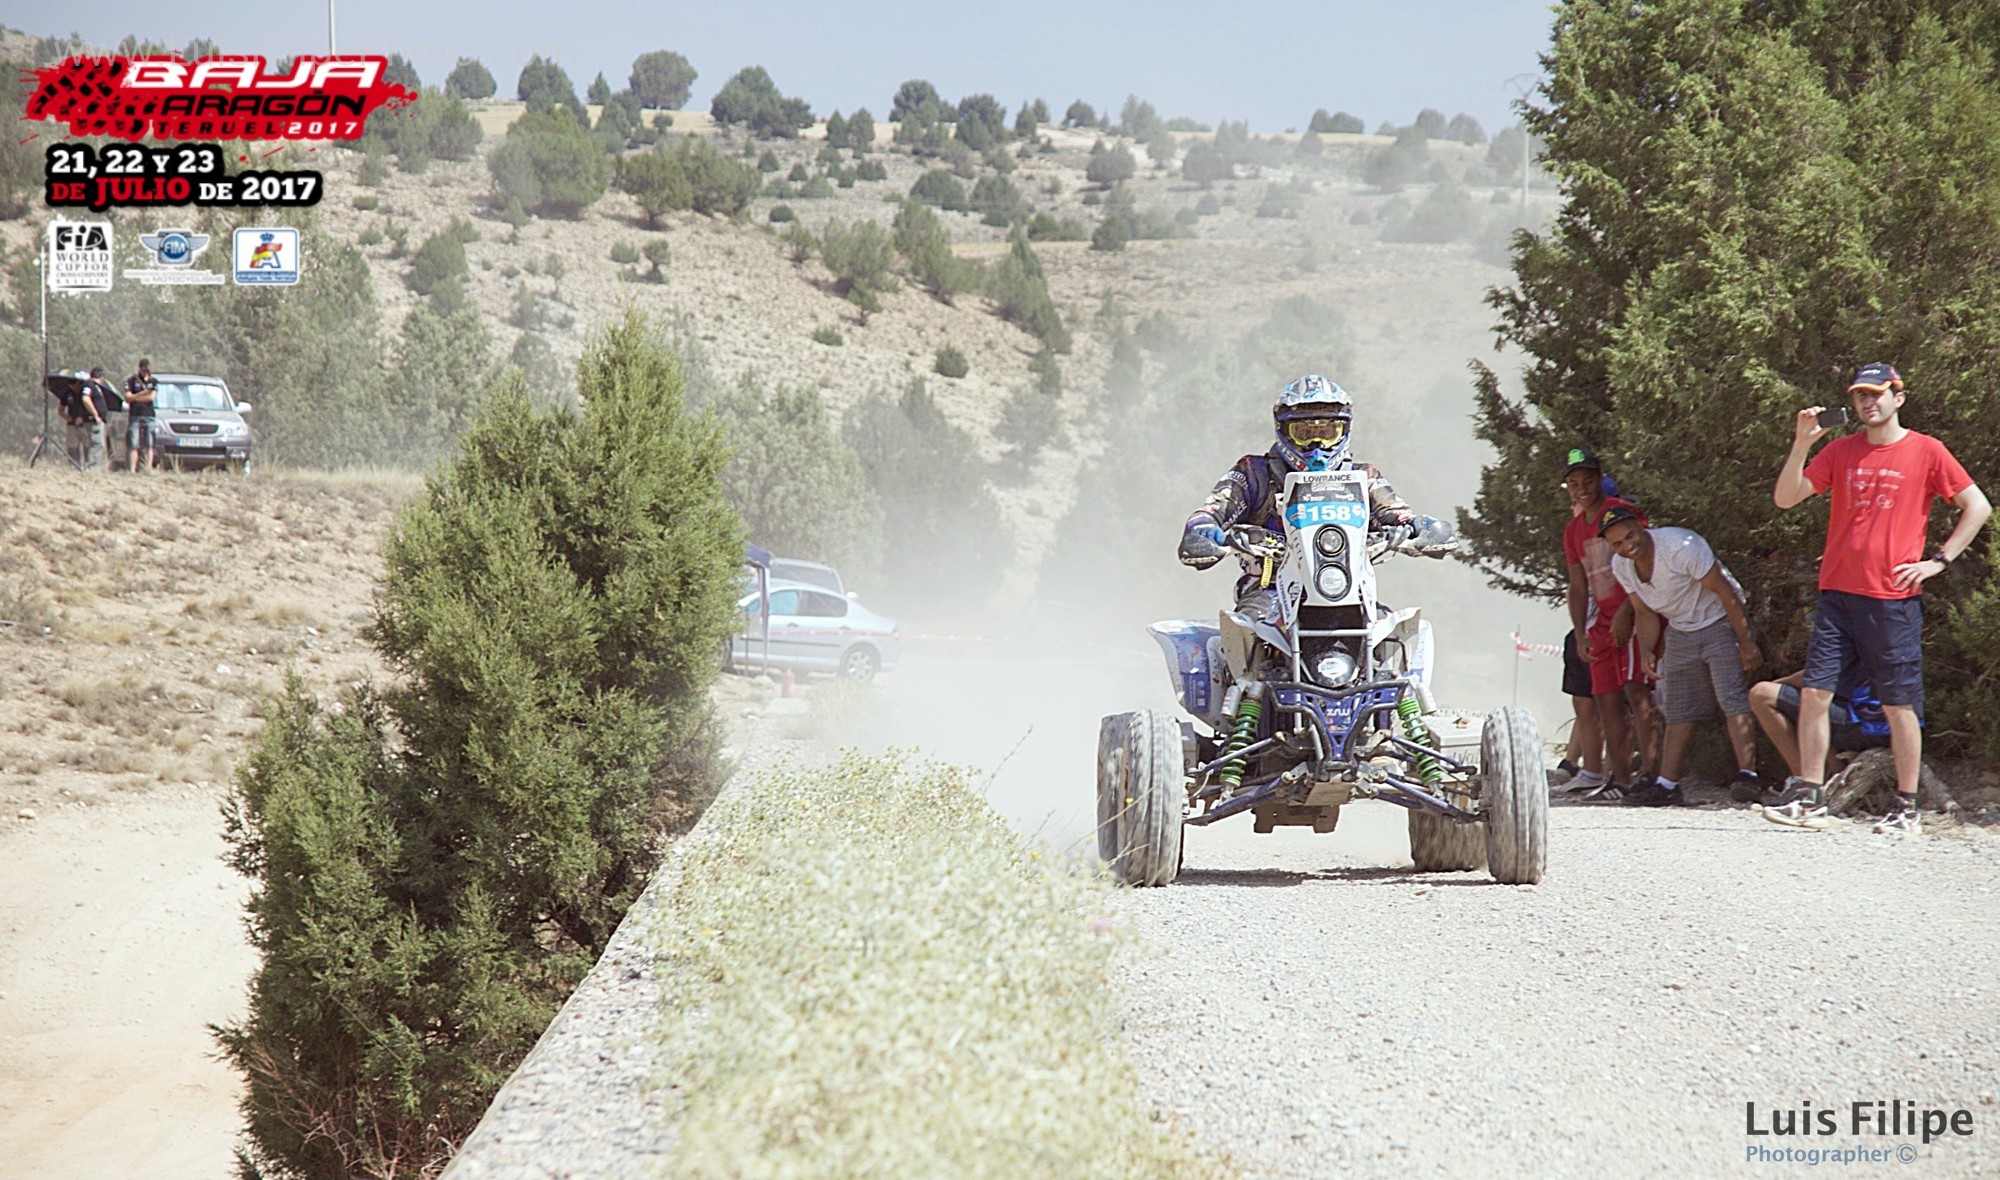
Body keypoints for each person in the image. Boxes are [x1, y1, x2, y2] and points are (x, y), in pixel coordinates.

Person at [1767, 363, 1990, 833]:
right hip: (1837, 593)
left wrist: (1939, 561)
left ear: (1898, 398)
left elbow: (1978, 506)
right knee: (1814, 693)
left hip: (1892, 599)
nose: (1868, 403)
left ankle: (1906, 807)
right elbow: (1786, 498)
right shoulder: (1841, 450)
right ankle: (1809, 798)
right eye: (1860, 396)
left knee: (1899, 703)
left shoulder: (1927, 450)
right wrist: (1802, 443)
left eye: (1877, 394)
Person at [1178, 374, 1420, 621]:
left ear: (1344, 431)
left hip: (1345, 587)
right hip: (1268, 588)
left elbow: (1396, 513)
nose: (1317, 444)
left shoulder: (1363, 477)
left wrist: (1418, 527)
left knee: (1390, 631)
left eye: (1328, 433)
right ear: (1284, 431)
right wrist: (1203, 529)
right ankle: (1232, 661)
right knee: (1247, 626)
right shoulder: (1255, 473)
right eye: (1304, 433)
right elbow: (1212, 509)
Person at [1600, 506, 1762, 806]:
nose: (1626, 546)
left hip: (1717, 619)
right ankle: (1667, 784)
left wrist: (1746, 642)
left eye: (1629, 536)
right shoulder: (1622, 566)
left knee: (1730, 696)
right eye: (1617, 544)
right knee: (1678, 708)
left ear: (1641, 526)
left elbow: (1725, 591)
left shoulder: (1679, 546)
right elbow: (1644, 611)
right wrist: (1647, 649)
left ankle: (1748, 776)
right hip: (1680, 627)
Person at [1561, 447, 1659, 800]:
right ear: (1568, 487)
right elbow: (1578, 584)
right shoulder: (1573, 530)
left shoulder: (1620, 512)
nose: (1582, 489)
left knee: (1637, 692)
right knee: (1605, 699)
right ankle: (1619, 780)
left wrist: (1625, 612)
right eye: (1574, 483)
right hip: (1599, 621)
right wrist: (1580, 631)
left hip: (1635, 611)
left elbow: (1644, 554)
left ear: (1600, 478)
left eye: (1588, 481)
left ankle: (1651, 776)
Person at [1748, 670, 1895, 786]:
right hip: (1892, 727)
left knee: (1761, 693)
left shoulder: (1845, 633)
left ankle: (1801, 781)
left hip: (1864, 722)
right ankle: (1833, 769)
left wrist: (1778, 683)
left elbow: (1818, 677)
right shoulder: (1884, 638)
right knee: (1818, 703)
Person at [124, 358, 159, 472]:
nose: (145, 371)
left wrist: (135, 398)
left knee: (149, 444)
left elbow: (151, 397)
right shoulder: (131, 381)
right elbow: (127, 398)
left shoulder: (153, 381)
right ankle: (132, 470)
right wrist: (142, 394)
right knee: (133, 443)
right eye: (143, 369)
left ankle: (148, 468)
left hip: (149, 415)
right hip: (135, 415)